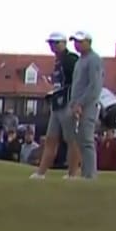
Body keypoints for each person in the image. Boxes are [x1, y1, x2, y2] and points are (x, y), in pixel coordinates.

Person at [31, 32, 80, 179]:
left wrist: (76, 103)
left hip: (68, 103)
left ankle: (72, 173)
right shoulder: (58, 62)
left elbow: (78, 82)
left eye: (56, 43)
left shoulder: (70, 60)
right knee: (51, 139)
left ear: (64, 43)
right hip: (57, 104)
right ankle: (41, 173)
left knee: (71, 140)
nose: (53, 46)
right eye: (51, 44)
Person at [68, 31, 104, 180]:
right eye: (75, 41)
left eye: (80, 41)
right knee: (80, 140)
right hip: (77, 105)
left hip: (88, 105)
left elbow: (94, 86)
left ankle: (90, 175)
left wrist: (80, 103)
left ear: (88, 42)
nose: (76, 44)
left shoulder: (94, 60)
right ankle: (85, 172)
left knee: (87, 140)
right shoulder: (80, 61)